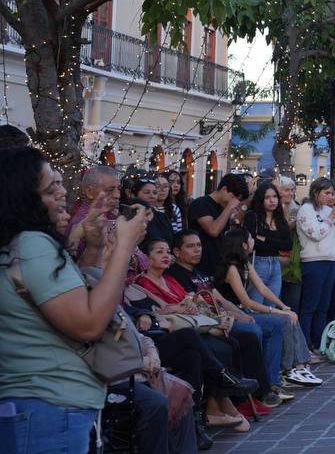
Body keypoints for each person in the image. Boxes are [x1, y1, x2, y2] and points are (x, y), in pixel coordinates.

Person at [0, 146, 148, 454]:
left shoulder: (20, 243)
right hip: (49, 405)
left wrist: (94, 250)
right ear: (25, 197)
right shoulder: (32, 244)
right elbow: (88, 324)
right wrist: (123, 247)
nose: (62, 191)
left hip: (44, 403)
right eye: (51, 187)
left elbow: (63, 299)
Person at [166, 228, 280, 420]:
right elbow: (195, 306)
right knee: (249, 333)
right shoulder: (176, 275)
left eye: (199, 246)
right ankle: (252, 394)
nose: (197, 250)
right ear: (177, 252)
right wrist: (228, 318)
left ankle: (265, 387)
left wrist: (238, 314)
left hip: (224, 317)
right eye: (190, 246)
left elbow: (219, 299)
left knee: (264, 326)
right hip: (207, 324)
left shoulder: (199, 273)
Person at [215, 229, 320, 391]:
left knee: (290, 315)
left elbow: (263, 289)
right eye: (250, 238)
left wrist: (283, 306)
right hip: (236, 315)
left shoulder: (246, 263)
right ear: (243, 245)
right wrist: (276, 311)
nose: (253, 241)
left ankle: (298, 367)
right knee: (282, 319)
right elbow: (246, 301)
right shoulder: (232, 269)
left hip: (245, 311)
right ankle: (290, 370)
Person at [296, 178, 335, 349]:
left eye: (332, 193)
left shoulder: (327, 210)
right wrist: (332, 216)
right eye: (327, 193)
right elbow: (316, 234)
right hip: (313, 262)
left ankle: (319, 342)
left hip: (330, 261)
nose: (331, 197)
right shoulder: (306, 210)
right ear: (316, 192)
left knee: (324, 305)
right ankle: (305, 344)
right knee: (310, 305)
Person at [188, 173, 251, 273]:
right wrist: (229, 207)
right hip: (202, 268)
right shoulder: (200, 204)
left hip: (220, 265)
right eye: (232, 198)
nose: (234, 203)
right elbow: (213, 231)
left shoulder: (223, 207)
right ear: (224, 189)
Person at [243, 182, 292, 305]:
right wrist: (276, 242)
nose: (272, 200)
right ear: (261, 199)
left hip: (276, 264)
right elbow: (253, 244)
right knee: (256, 307)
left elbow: (288, 245)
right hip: (257, 264)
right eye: (267, 197)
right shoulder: (252, 216)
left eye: (274, 196)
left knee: (272, 307)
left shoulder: (280, 219)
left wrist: (265, 238)